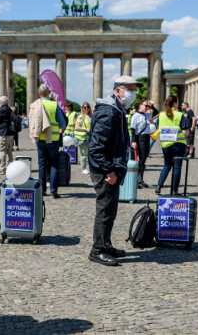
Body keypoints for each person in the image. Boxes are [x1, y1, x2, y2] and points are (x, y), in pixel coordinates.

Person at [88, 75, 141, 266]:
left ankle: (106, 244)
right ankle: (98, 249)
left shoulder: (117, 109)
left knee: (110, 209)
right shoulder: (109, 112)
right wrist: (109, 170)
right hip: (106, 170)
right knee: (105, 209)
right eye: (130, 89)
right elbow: (95, 147)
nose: (133, 93)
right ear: (118, 90)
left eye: (134, 89)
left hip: (112, 168)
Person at [28, 84, 66, 198]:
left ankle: (42, 190)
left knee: (42, 164)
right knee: (54, 164)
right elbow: (63, 123)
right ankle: (54, 190)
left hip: (40, 138)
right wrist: (59, 131)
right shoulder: (54, 105)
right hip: (53, 139)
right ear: (49, 93)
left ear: (39, 93)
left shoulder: (34, 105)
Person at [155, 95, 189, 195]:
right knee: (177, 167)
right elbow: (186, 131)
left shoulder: (161, 115)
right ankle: (174, 191)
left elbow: (157, 127)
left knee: (167, 165)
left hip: (165, 144)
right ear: (175, 103)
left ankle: (159, 186)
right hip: (178, 144)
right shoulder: (180, 115)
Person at [129, 101, 155, 188]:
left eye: (148, 106)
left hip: (147, 138)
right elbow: (133, 129)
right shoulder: (135, 115)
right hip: (139, 138)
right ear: (140, 105)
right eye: (145, 105)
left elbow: (156, 113)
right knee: (137, 160)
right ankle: (135, 180)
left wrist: (152, 105)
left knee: (143, 160)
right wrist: (133, 141)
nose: (147, 107)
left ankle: (140, 179)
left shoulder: (146, 115)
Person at [0, 96, 16, 176]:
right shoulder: (9, 109)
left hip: (3, 133)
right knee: (9, 151)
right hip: (10, 133)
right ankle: (11, 168)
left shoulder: (1, 110)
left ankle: (2, 169)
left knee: (1, 151)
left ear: (0, 103)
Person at [74, 102, 92, 175]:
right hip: (82, 138)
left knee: (89, 154)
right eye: (84, 107)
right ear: (82, 108)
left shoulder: (90, 116)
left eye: (87, 107)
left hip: (89, 137)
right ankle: (83, 168)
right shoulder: (80, 116)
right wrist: (85, 130)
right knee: (83, 154)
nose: (86, 108)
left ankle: (88, 168)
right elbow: (77, 127)